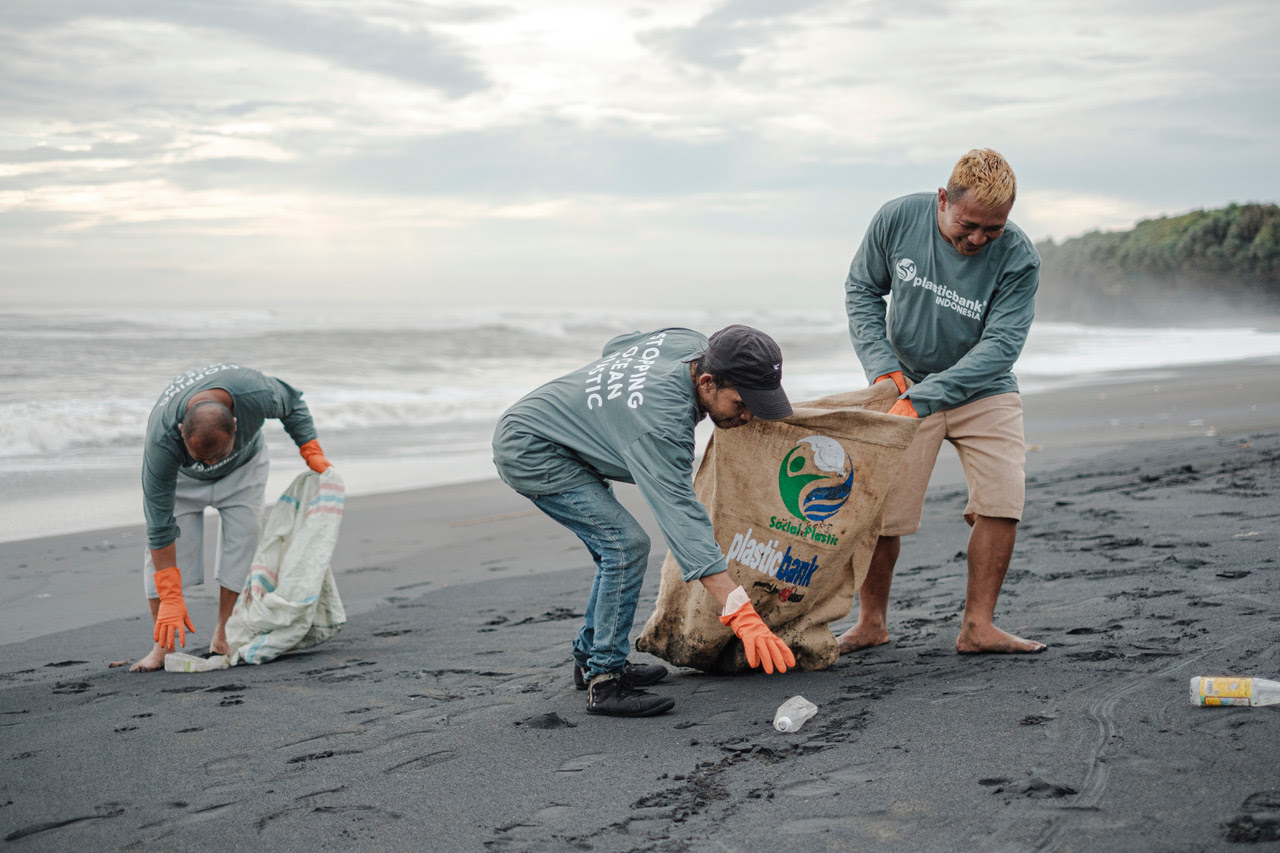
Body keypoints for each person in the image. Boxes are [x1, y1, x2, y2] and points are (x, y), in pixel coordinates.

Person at [493, 326, 798, 717]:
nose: (749, 414)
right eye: (741, 402)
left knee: (615, 547)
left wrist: (610, 410)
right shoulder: (663, 426)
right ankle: (605, 682)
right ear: (706, 381)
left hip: (549, 427)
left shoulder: (687, 343)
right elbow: (683, 521)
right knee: (624, 546)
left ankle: (590, 656)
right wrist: (741, 614)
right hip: (532, 450)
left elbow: (617, 345)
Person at [839, 148, 1047, 655]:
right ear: (942, 200)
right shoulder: (897, 218)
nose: (977, 239)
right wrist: (882, 368)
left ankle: (978, 627)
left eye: (992, 229)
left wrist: (928, 397)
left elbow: (1001, 348)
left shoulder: (1019, 258)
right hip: (905, 380)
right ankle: (871, 623)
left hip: (985, 388)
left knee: (1003, 498)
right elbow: (863, 289)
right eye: (969, 224)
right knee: (884, 513)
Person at [130, 364, 332, 672]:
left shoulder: (256, 392)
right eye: (203, 457)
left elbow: (292, 403)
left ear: (235, 426)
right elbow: (158, 526)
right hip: (183, 481)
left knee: (244, 541)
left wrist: (310, 448)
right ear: (181, 431)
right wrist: (171, 596)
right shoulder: (161, 440)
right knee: (171, 554)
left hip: (243, 470)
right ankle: (162, 646)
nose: (210, 464)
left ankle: (225, 634)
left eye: (216, 455)